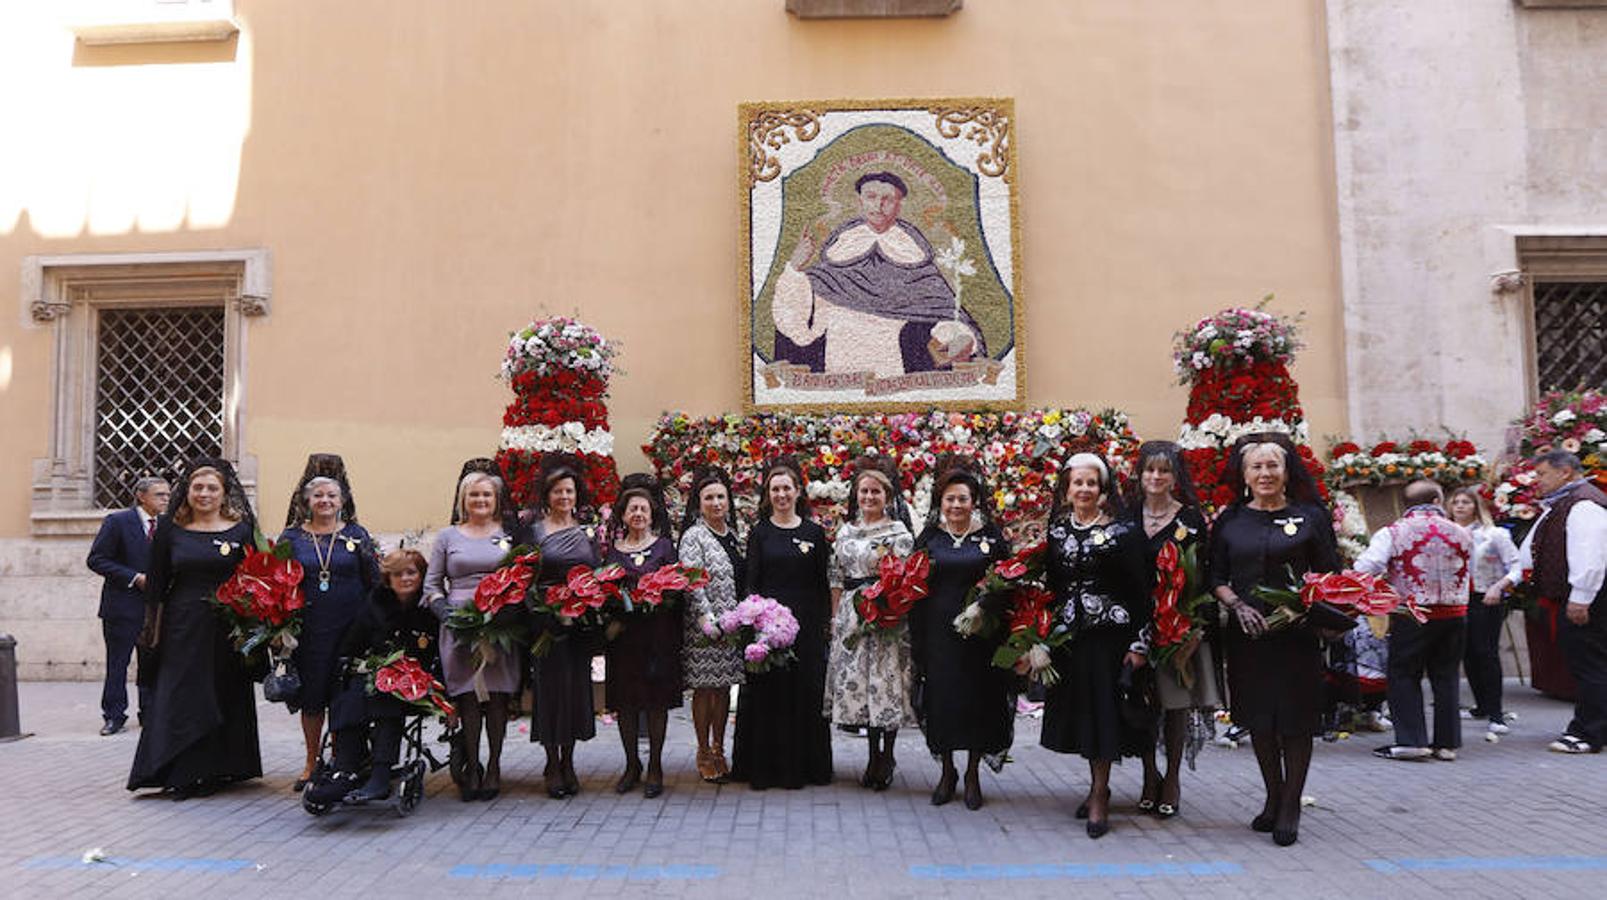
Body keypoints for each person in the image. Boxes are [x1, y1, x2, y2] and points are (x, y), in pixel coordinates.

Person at [1208, 434, 1341, 846]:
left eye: (1273, 466)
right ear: (1244, 475)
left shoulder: (1310, 517)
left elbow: (1329, 574)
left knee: (1296, 722)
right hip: (1249, 637)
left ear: (1286, 473)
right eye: (1257, 467)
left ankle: (1291, 805)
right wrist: (1236, 605)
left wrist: (1308, 607)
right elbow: (1215, 577)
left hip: (1297, 636)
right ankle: (1272, 796)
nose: (1265, 473)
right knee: (1260, 720)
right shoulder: (1230, 520)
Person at [128, 459, 262, 797]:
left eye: (212, 488)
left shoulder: (242, 530)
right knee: (182, 694)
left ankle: (220, 770)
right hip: (183, 625)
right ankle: (181, 771)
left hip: (229, 626)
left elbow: (258, 578)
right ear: (186, 492)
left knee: (224, 690)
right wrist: (152, 631)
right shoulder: (169, 531)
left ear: (224, 493)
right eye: (197, 487)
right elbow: (157, 585)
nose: (204, 494)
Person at [773, 171, 986, 376]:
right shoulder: (840, 251)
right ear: (860, 201)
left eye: (888, 199)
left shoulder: (913, 254)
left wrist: (958, 338)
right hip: (838, 363)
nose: (878, 205)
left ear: (898, 205)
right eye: (871, 197)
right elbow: (798, 322)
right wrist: (794, 267)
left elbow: (941, 310)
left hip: (895, 366)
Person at [1040, 452, 1150, 839]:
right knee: (1084, 715)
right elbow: (1049, 587)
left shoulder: (1124, 534)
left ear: (1103, 491)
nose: (1084, 489)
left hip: (1109, 639)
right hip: (1070, 640)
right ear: (1067, 489)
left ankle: (1101, 794)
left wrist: (1139, 644)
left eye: (1091, 483)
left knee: (1104, 714)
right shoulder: (1056, 532)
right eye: (1077, 483)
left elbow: (1142, 593)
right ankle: (1093, 786)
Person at [1489, 450, 1607, 754]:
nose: (1536, 481)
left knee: (1590, 666)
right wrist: (1512, 580)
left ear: (1565, 471)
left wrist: (1580, 598)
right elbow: (1531, 551)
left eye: (1541, 474)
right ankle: (1593, 727)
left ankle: (1589, 733)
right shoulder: (1563, 503)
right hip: (1574, 595)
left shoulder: (1583, 504)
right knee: (1586, 665)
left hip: (1587, 598)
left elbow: (1590, 555)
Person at [909, 465, 1012, 810]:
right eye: (950, 499)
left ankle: (972, 774)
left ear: (974, 502)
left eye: (963, 499)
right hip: (940, 637)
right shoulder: (928, 539)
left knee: (977, 703)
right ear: (941, 502)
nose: (956, 505)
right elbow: (915, 588)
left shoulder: (991, 538)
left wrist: (986, 605)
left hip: (981, 639)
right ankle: (947, 771)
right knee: (944, 703)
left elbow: (1008, 580)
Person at [1123, 441, 1217, 819]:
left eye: (1164, 471)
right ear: (1140, 475)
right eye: (1150, 470)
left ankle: (1173, 778)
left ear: (1175, 476)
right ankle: (1149, 774)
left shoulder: (1191, 520)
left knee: (1175, 705)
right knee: (1143, 703)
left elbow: (1205, 576)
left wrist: (1195, 630)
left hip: (1176, 624)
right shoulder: (1128, 516)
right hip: (1133, 626)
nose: (1156, 477)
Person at [305, 548, 439, 805]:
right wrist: (349, 667)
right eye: (398, 574)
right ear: (388, 579)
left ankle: (380, 774)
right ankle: (345, 769)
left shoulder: (429, 608)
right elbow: (351, 643)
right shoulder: (375, 603)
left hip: (414, 680)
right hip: (375, 671)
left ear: (422, 575)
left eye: (411, 572)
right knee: (350, 694)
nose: (406, 579)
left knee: (387, 695)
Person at [729, 460, 834, 789]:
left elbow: (822, 582)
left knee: (804, 695)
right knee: (768, 697)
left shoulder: (814, 533)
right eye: (775, 489)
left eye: (787, 488)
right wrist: (757, 623)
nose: (781, 494)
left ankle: (804, 768)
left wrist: (823, 625)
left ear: (798, 492)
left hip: (807, 629)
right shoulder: (760, 533)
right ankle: (764, 768)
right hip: (768, 630)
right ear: (767, 494)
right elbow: (752, 582)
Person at [1353, 480, 1473, 762]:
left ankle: (1411, 741)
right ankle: (1447, 744)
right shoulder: (1463, 532)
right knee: (1446, 676)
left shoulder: (1393, 532)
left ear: (1405, 504)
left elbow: (1366, 567)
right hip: (1456, 612)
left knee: (1404, 674)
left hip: (1413, 613)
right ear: (1436, 501)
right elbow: (1472, 569)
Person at [279, 455, 379, 791]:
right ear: (306, 501)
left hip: (351, 629)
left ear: (343, 501)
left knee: (343, 696)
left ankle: (341, 759)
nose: (325, 501)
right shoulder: (291, 538)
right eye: (318, 495)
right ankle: (311, 761)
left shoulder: (356, 534)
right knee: (312, 697)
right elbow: (279, 583)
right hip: (309, 630)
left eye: (331, 496)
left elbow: (374, 582)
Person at [424, 468, 522, 801]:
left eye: (486, 495)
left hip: (500, 625)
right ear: (463, 500)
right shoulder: (448, 537)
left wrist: (507, 610)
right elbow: (432, 585)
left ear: (496, 501)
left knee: (496, 698)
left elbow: (522, 577)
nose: (480, 500)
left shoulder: (510, 534)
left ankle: (494, 766)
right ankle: (472, 766)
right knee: (468, 697)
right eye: (474, 495)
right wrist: (444, 611)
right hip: (460, 626)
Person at [826, 460, 917, 792]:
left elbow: (907, 578)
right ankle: (871, 755)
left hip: (887, 616)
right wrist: (836, 616)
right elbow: (835, 574)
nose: (869, 497)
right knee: (862, 685)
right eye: (863, 491)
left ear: (887, 496)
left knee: (885, 682)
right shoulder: (845, 532)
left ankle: (887, 756)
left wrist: (889, 606)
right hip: (853, 613)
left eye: (875, 491)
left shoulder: (899, 534)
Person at [603, 476, 682, 798]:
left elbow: (678, 589)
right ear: (623, 515)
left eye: (643, 509)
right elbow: (604, 592)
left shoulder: (664, 547)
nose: (638, 513)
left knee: (655, 702)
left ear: (652, 515)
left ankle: (655, 767)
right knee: (626, 702)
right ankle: (631, 764)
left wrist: (658, 601)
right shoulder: (612, 552)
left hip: (657, 638)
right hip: (624, 640)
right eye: (632, 509)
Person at [527, 462, 602, 798]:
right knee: (550, 691)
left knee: (574, 691)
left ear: (576, 495)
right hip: (547, 622)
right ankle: (551, 763)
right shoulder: (536, 531)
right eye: (557, 490)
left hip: (579, 624)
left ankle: (569, 760)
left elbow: (598, 573)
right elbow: (524, 577)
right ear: (548, 494)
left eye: (569, 491)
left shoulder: (588, 531)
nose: (563, 496)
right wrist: (544, 608)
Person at [677, 467, 746, 783]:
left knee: (724, 689)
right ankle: (703, 751)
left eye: (721, 497)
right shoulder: (695, 536)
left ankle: (720, 749)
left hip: (732, 627)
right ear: (699, 502)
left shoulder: (733, 534)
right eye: (709, 498)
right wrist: (706, 618)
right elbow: (692, 581)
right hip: (704, 629)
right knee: (705, 690)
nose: (716, 503)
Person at [87, 476, 169, 736]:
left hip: (156, 608)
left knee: (151, 662)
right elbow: (97, 560)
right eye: (159, 495)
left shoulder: (169, 525)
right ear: (141, 496)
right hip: (122, 606)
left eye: (167, 494)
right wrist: (134, 578)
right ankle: (113, 715)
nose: (166, 499)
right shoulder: (118, 522)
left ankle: (150, 712)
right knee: (118, 663)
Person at [1448, 485, 1520, 736]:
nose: (1459, 506)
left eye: (1465, 502)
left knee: (1486, 652)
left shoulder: (1495, 534)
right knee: (1467, 652)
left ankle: (1496, 713)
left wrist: (1499, 587)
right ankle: (1480, 705)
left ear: (1476, 507)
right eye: (1456, 502)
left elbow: (1516, 567)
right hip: (1455, 599)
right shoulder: (1446, 533)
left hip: (1485, 597)